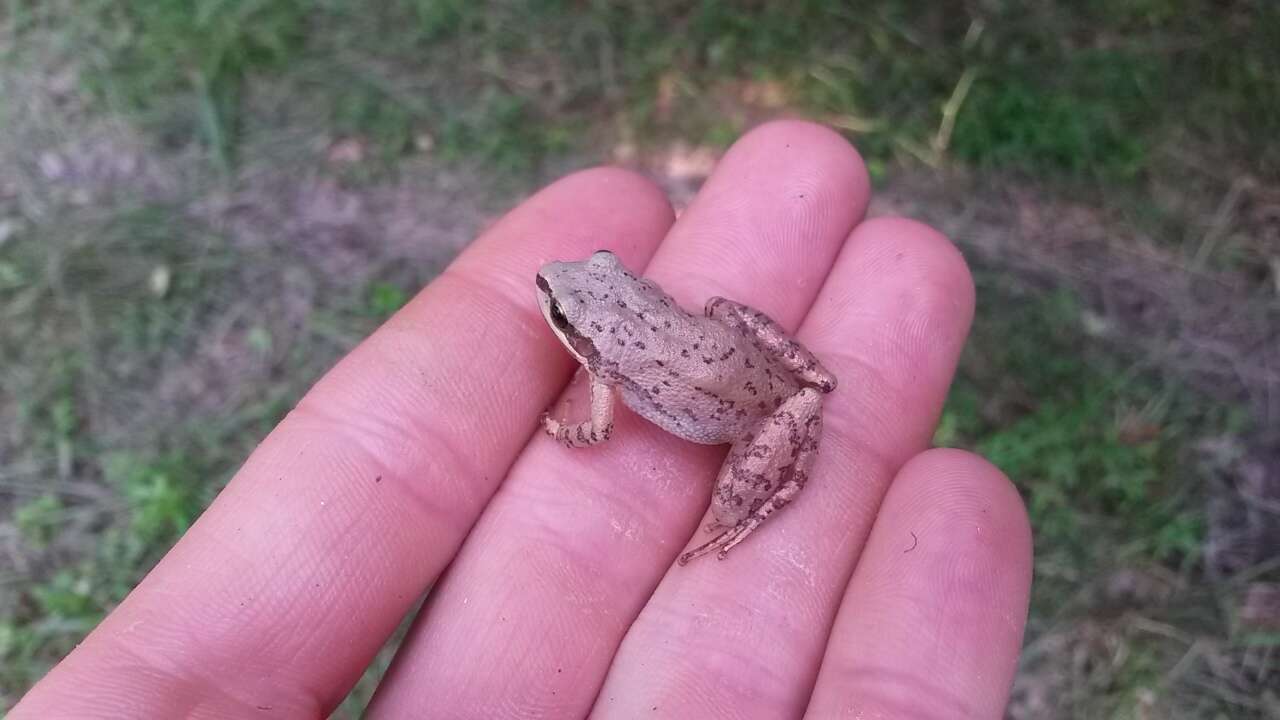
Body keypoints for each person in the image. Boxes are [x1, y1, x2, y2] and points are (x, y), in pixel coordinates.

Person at [12, 121, 1032, 719]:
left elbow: (594, 432)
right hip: (748, 357)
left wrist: (570, 429)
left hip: (742, 412)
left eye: (568, 306)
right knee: (766, 354)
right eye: (571, 301)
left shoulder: (595, 378)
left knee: (759, 454)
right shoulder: (605, 335)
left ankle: (745, 513)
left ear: (583, 330)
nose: (557, 302)